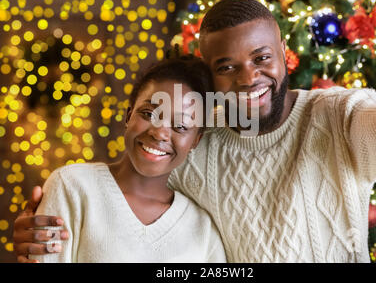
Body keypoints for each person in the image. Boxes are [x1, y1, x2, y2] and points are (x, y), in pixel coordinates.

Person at [14, 0, 376, 263]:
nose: (249, 78)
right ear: (210, 74)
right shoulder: (201, 138)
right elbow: (132, 172)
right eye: (226, 67)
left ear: (283, 53)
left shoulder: (341, 117)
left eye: (262, 58)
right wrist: (46, 215)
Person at [21, 56, 227, 262]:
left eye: (181, 126)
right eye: (149, 113)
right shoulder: (71, 186)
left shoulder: (203, 231)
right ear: (129, 116)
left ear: (195, 141)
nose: (159, 133)